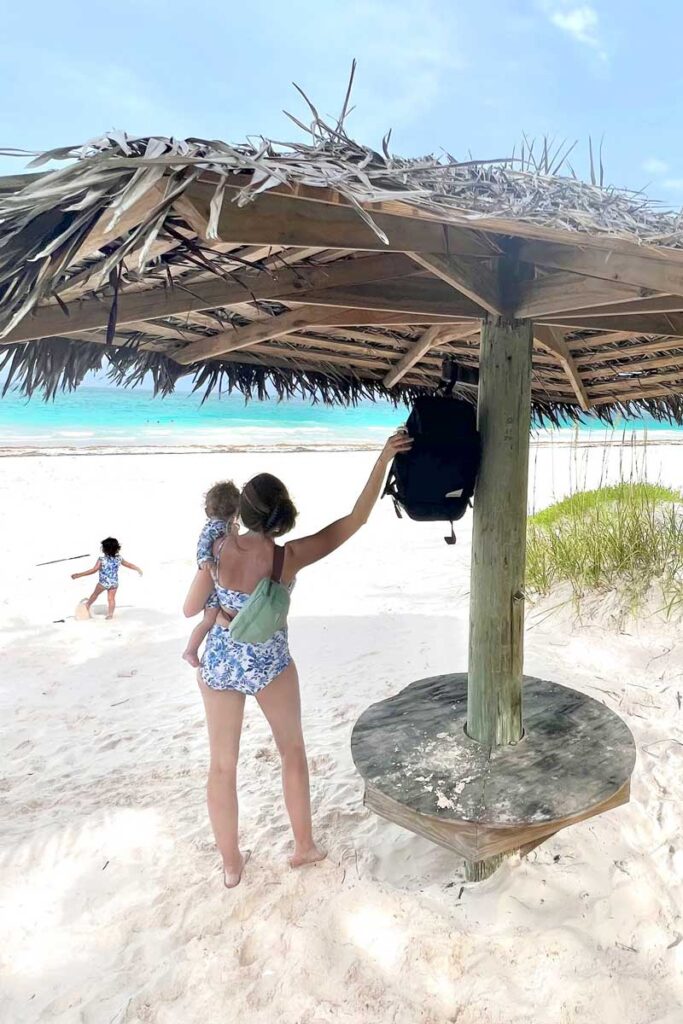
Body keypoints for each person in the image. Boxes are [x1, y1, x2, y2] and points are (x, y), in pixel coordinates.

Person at [183, 431, 412, 888]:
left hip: (222, 665)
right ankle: (303, 846)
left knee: (222, 765)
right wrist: (385, 456)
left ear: (241, 514)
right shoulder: (290, 556)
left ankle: (231, 865)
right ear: (280, 513)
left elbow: (191, 608)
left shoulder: (216, 549)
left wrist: (213, 604)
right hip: (270, 664)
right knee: (292, 750)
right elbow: (356, 519)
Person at [182, 480, 241, 668]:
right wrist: (205, 561)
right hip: (214, 584)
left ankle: (193, 650)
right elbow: (203, 545)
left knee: (211, 620)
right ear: (236, 512)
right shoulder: (216, 527)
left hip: (217, 583)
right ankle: (190, 650)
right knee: (208, 620)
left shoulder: (220, 526)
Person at [71, 537, 143, 619]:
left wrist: (79, 575)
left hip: (103, 583)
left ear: (104, 549)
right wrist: (138, 569)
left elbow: (93, 570)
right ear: (117, 548)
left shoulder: (102, 559)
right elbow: (128, 564)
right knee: (111, 599)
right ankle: (110, 614)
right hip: (114, 584)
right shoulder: (119, 558)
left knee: (95, 594)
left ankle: (87, 605)